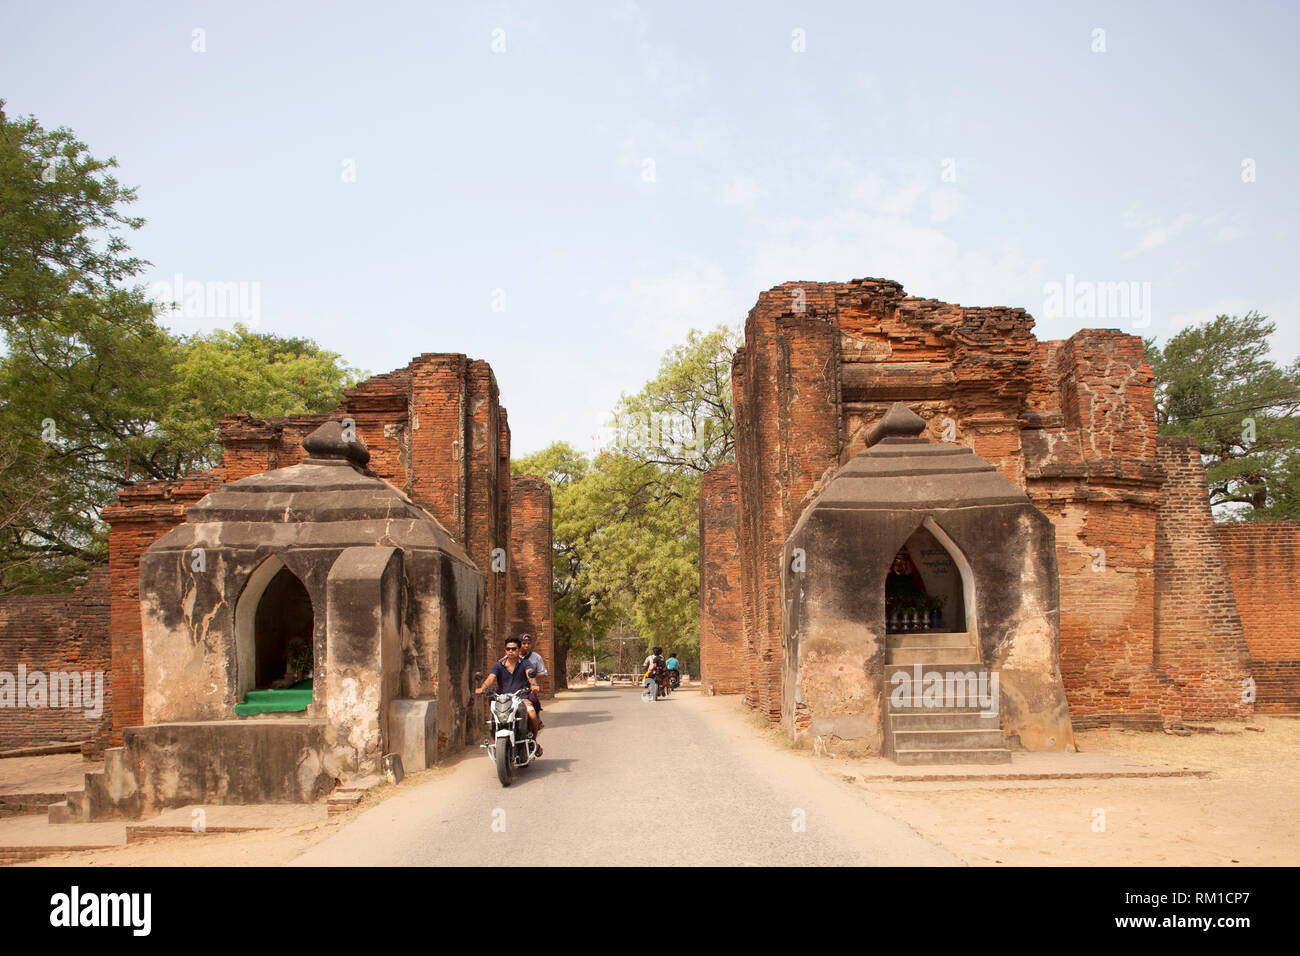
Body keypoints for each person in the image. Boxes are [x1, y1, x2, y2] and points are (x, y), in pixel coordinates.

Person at [475, 637, 544, 756]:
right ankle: (497, 742)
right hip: (503, 699)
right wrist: (483, 688)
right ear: (505, 650)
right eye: (508, 649)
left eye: (514, 649)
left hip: (521, 697)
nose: (511, 651)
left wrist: (533, 684)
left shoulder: (525, 663)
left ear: (518, 649)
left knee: (532, 714)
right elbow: (491, 677)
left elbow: (529, 674)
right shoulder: (498, 665)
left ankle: (533, 741)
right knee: (493, 718)